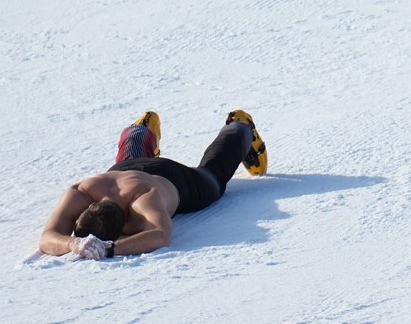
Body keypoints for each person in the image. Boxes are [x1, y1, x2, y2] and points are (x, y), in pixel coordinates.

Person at [39, 109, 267, 260]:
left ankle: (240, 126)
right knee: (129, 157)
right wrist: (73, 244)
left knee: (214, 174)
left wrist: (110, 249)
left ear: (126, 225)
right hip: (128, 169)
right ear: (91, 205)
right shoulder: (83, 190)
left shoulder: (143, 202)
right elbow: (47, 238)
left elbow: (160, 235)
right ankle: (140, 131)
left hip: (177, 180)